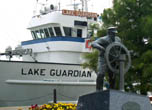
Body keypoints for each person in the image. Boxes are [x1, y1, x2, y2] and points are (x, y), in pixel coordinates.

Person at [91, 27, 121, 91]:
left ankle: (112, 90)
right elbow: (93, 43)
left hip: (113, 60)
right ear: (109, 33)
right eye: (113, 33)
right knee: (101, 73)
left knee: (113, 76)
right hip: (103, 59)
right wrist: (100, 47)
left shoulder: (118, 39)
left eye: (115, 33)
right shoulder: (104, 39)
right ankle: (99, 90)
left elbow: (121, 49)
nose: (114, 35)